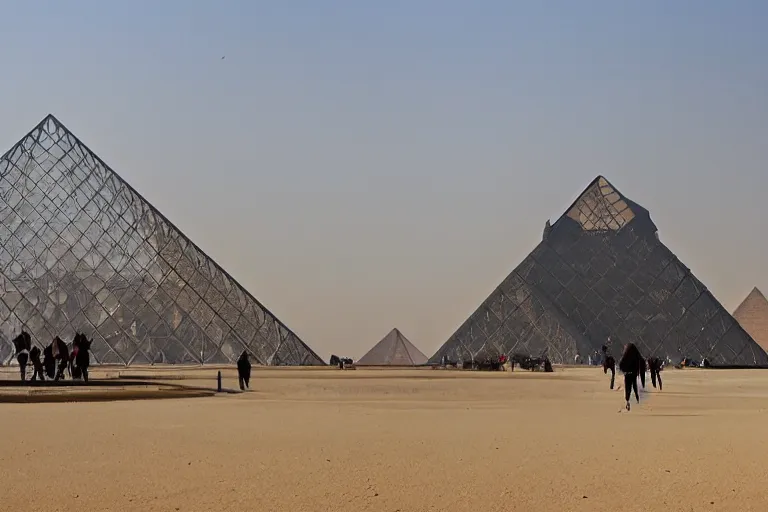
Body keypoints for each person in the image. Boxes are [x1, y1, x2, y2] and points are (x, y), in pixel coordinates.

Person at [619, 343, 643, 411]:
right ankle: (637, 399)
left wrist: (624, 371)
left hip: (627, 374)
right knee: (634, 386)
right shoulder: (636, 355)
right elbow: (640, 362)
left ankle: (628, 401)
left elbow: (621, 364)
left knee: (627, 387)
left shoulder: (625, 355)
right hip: (633, 374)